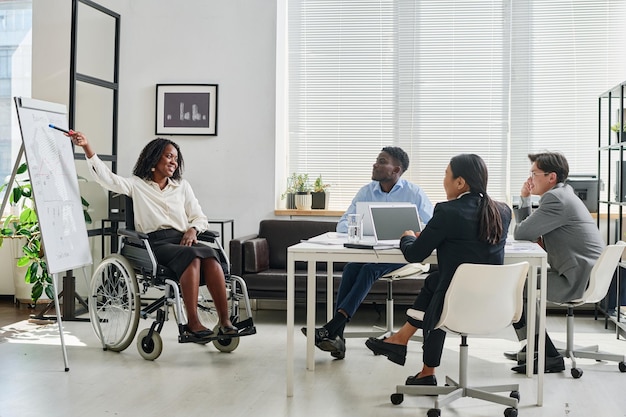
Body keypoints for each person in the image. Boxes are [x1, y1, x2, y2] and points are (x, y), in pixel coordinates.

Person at [69, 131, 237, 340]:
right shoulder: (136, 185)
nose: (173, 162)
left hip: (183, 240)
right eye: (169, 156)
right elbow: (106, 178)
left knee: (210, 256)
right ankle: (192, 323)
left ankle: (224, 322)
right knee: (192, 257)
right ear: (154, 158)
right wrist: (87, 147)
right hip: (154, 245)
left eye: (176, 159)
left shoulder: (182, 187)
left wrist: (193, 230)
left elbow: (199, 217)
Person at [365, 154, 511, 386]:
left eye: (446, 175)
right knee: (435, 281)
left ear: (460, 182)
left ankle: (425, 370)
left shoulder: (447, 211)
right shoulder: (502, 211)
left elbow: (415, 255)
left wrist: (408, 237)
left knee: (441, 288)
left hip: (456, 304)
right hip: (494, 303)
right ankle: (402, 342)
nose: (444, 180)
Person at [303, 146, 434, 359]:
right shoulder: (366, 191)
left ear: (396, 170)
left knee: (368, 270)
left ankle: (334, 326)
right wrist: (368, 228)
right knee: (352, 268)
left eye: (382, 161)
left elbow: (429, 226)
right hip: (372, 252)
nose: (375, 164)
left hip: (406, 255)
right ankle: (338, 337)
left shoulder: (414, 193)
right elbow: (343, 224)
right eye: (377, 160)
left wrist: (408, 232)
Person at [506, 152, 605, 374]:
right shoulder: (563, 194)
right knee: (519, 282)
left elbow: (523, 232)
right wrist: (525, 199)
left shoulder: (555, 199)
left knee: (517, 286)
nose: (530, 178)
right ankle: (535, 349)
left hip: (578, 279)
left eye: (534, 173)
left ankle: (546, 355)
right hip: (584, 273)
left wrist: (524, 201)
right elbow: (529, 232)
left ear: (551, 177)